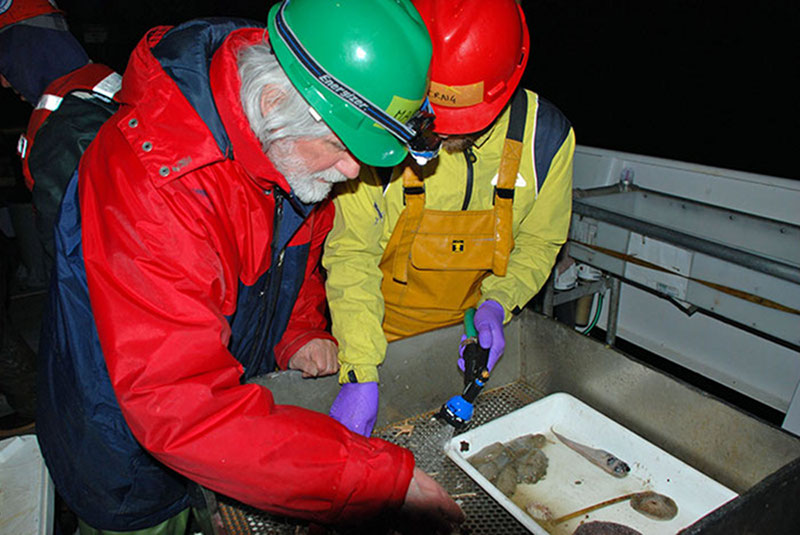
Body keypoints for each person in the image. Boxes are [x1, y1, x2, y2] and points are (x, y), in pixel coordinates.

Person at [35, 0, 462, 532]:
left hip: (232, 425)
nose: (352, 169)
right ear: (272, 99)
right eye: (337, 145)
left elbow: (296, 248)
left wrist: (299, 328)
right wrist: (378, 481)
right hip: (127, 453)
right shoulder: (155, 183)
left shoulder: (278, 132)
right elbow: (180, 406)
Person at [324, 0, 575, 436]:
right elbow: (352, 252)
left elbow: (540, 241)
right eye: (432, 122)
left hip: (472, 336)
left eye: (462, 124)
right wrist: (360, 368)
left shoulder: (546, 139)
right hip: (373, 334)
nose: (442, 137)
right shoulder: (379, 127)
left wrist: (499, 303)